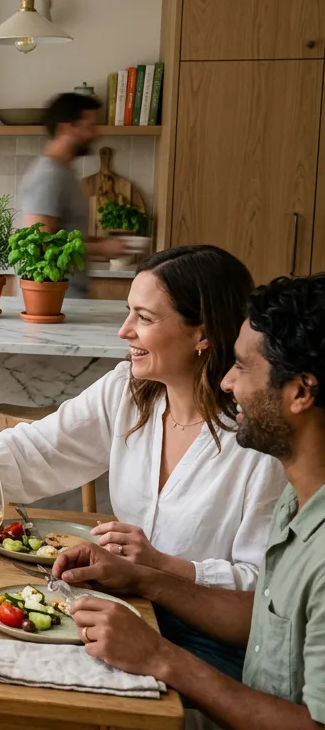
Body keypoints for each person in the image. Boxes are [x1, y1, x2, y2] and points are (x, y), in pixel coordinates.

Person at [0, 246, 286, 677]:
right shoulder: (128, 394)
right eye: (128, 313)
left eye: (144, 318)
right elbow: (43, 446)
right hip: (124, 613)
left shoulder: (256, 439)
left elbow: (267, 590)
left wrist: (164, 566)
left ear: (202, 334)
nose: (124, 331)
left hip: (203, 644)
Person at [51, 273, 325, 730]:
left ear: (300, 391)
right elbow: (262, 616)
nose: (225, 382)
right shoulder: (297, 504)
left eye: (242, 367)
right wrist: (142, 578)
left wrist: (160, 656)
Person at [19, 92, 127, 298]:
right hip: (53, 297)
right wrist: (102, 248)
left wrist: (99, 242)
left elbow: (64, 234)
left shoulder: (63, 172)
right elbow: (41, 243)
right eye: (89, 126)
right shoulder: (49, 176)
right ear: (65, 128)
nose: (95, 134)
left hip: (65, 294)